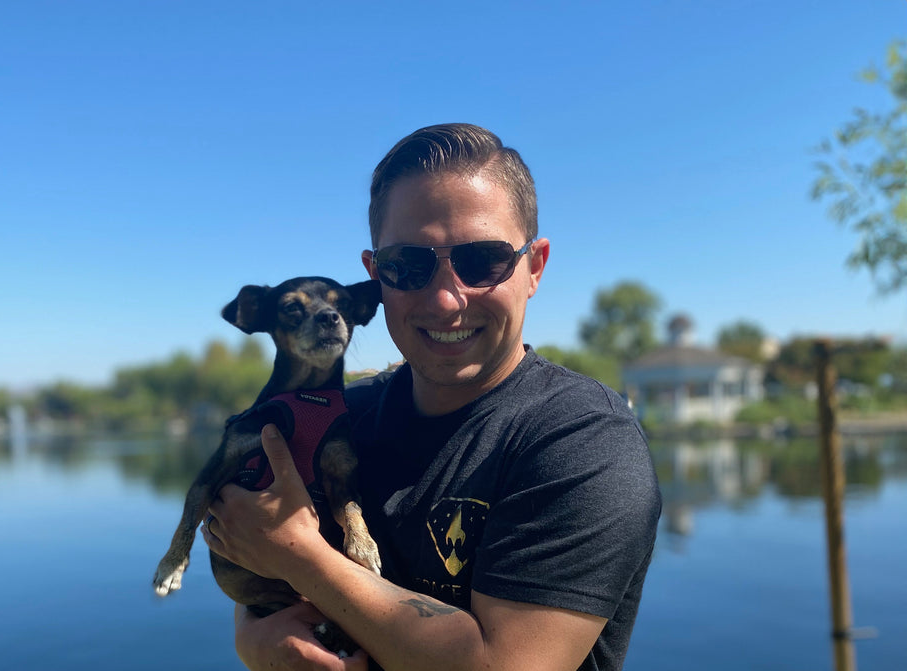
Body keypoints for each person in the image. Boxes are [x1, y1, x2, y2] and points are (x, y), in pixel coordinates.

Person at [200, 123, 661, 671]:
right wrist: (255, 637)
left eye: (483, 260)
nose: (445, 301)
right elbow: (250, 534)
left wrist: (301, 558)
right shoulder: (338, 417)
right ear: (374, 277)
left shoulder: (583, 442)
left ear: (533, 267)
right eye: (407, 265)